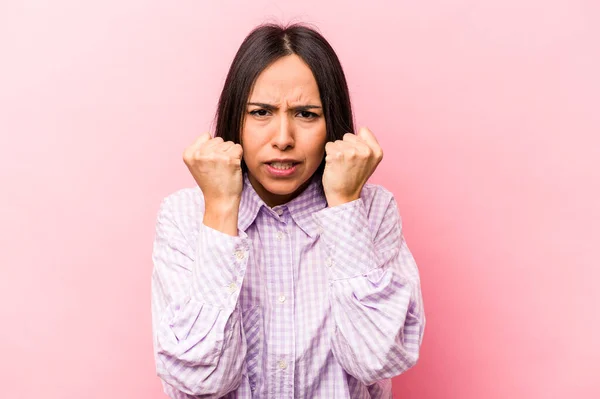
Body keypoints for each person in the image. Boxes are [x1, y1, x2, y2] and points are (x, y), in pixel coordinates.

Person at [151, 22, 426, 399]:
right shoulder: (184, 216)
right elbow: (201, 380)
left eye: (306, 114)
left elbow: (376, 361)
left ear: (333, 123)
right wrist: (219, 209)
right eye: (261, 112)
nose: (282, 139)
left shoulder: (373, 211)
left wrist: (345, 205)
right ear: (236, 119)